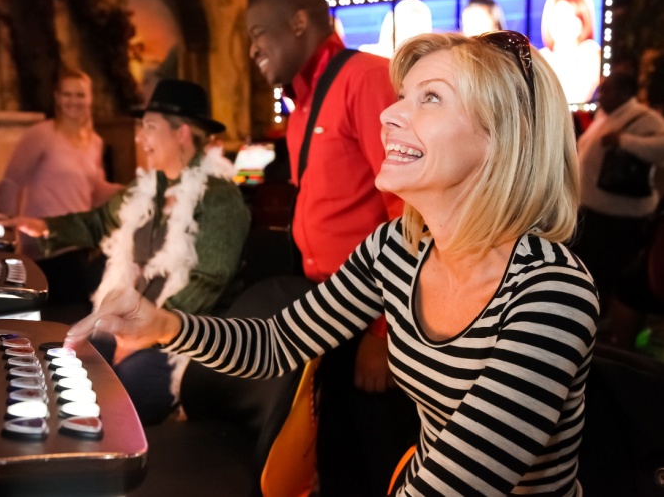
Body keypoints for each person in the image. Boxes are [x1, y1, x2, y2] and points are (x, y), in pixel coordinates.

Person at [65, 30, 599, 495]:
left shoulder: (552, 290)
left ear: (501, 140)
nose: (389, 114)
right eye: (402, 96)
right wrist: (163, 325)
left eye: (430, 98)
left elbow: (461, 482)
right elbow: (275, 345)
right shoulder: (396, 248)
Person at [247, 0, 413, 496]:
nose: (253, 50)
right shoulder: (300, 107)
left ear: (299, 23)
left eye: (258, 34)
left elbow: (409, 212)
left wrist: (383, 334)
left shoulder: (366, 79)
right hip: (328, 311)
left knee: (379, 464)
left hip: (371, 316)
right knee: (336, 464)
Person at [5, 79, 251, 425]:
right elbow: (98, 222)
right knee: (63, 359)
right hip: (137, 322)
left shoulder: (220, 198)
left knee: (109, 396)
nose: (140, 138)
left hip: (186, 339)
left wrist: (145, 334)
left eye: (149, 128)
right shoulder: (147, 188)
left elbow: (209, 282)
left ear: (181, 134)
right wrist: (44, 227)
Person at [0, 67, 122, 259]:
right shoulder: (41, 134)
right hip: (42, 244)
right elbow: (12, 184)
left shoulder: (95, 141)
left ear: (90, 98)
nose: (73, 101)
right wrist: (9, 237)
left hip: (78, 241)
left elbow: (95, 191)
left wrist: (131, 188)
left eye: (80, 95)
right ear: (57, 97)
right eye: (67, 94)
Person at [571, 71, 664, 337]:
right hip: (593, 212)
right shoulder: (606, 115)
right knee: (593, 269)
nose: (601, 96)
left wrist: (624, 141)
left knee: (609, 273)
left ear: (624, 93)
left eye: (608, 91)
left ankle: (605, 325)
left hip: (620, 218)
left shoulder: (644, 119)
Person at [539, 0, 601, 104]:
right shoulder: (541, 57)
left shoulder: (590, 53)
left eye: (570, 16)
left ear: (582, 21)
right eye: (557, 15)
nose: (562, 23)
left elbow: (578, 98)